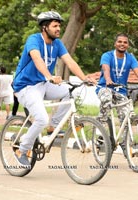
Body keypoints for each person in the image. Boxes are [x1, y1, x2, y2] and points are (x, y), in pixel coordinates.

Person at [12, 11, 95, 167]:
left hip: (44, 85)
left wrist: (84, 78)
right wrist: (49, 76)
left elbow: (69, 61)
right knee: (41, 118)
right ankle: (22, 151)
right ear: (45, 27)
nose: (58, 29)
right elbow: (37, 58)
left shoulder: (57, 44)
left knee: (73, 90)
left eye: (59, 26)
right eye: (55, 26)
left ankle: (54, 126)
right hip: (26, 87)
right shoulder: (34, 40)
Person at [95, 33, 138, 151]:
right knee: (107, 99)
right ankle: (100, 128)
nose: (122, 44)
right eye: (119, 42)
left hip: (121, 90)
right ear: (115, 44)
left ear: (128, 45)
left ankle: (125, 145)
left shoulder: (130, 58)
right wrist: (108, 79)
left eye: (125, 42)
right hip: (105, 87)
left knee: (127, 116)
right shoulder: (107, 55)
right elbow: (105, 68)